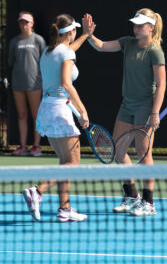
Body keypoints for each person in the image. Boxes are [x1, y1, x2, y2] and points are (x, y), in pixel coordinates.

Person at [86, 8, 166, 216]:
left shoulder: (155, 51)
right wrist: (88, 35)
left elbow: (161, 84)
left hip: (145, 106)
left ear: (151, 26)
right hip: (127, 105)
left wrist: (155, 112)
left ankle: (148, 203)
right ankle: (132, 195)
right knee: (118, 150)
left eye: (140, 25)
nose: (136, 28)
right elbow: (101, 46)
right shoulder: (127, 43)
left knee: (143, 153)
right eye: (135, 24)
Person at [22, 13, 95, 222]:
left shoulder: (48, 51)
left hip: (47, 109)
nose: (77, 34)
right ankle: (38, 190)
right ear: (71, 31)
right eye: (76, 31)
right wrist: (83, 110)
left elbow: (67, 50)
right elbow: (66, 83)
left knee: (64, 161)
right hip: (61, 110)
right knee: (73, 162)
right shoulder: (66, 54)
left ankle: (64, 209)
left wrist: (86, 36)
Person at [8, 11, 46, 156]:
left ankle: (36, 146)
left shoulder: (38, 40)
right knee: (22, 114)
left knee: (36, 115)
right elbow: (11, 62)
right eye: (21, 22)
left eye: (26, 22)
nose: (24, 25)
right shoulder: (14, 42)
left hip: (35, 84)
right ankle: (23, 146)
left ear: (32, 23)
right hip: (18, 84)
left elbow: (44, 61)